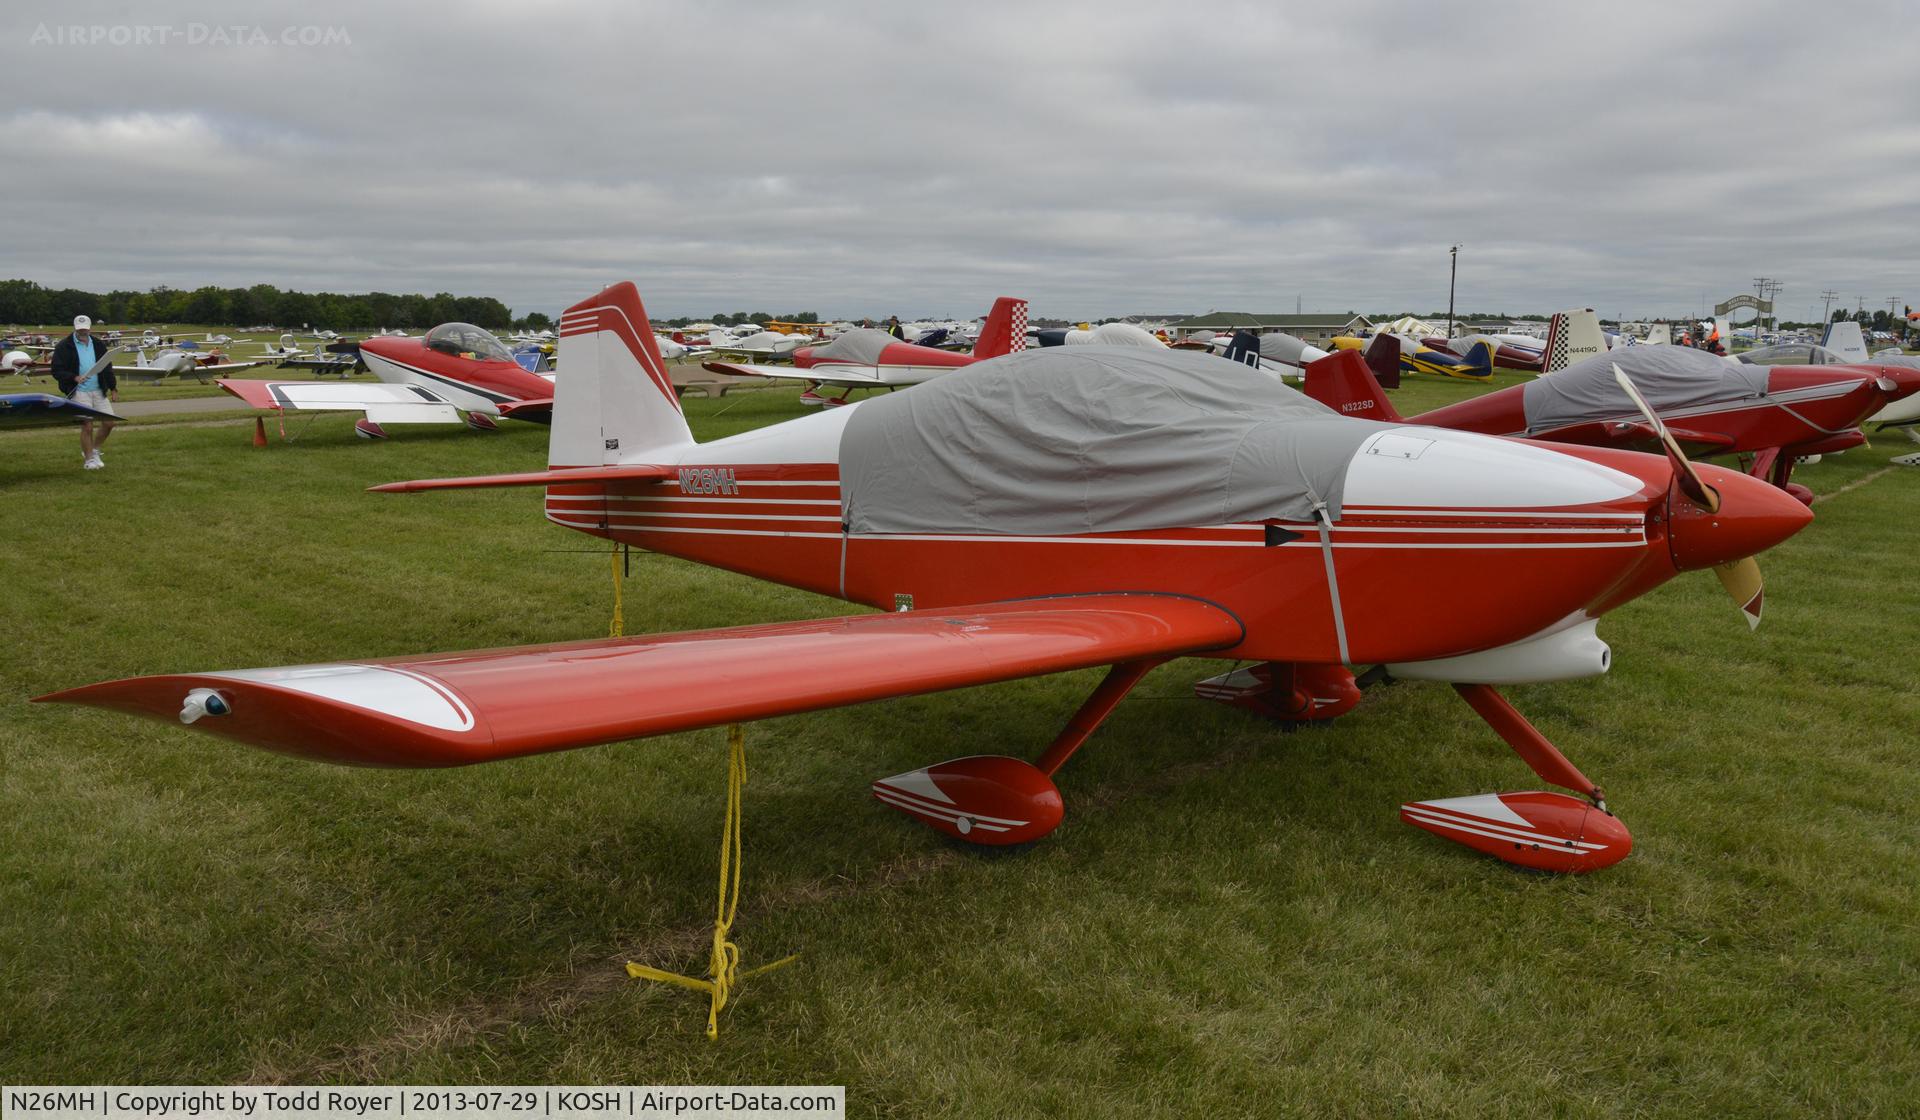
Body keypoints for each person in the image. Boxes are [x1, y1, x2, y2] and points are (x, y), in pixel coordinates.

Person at [50, 314, 118, 469]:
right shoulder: (64, 346)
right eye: (80, 329)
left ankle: (94, 449)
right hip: (79, 392)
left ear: (90, 328)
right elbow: (56, 370)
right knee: (87, 425)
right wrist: (73, 377)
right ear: (75, 328)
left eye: (85, 329)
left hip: (99, 390)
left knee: (109, 423)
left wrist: (113, 387)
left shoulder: (98, 344)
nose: (83, 331)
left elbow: (107, 367)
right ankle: (89, 461)